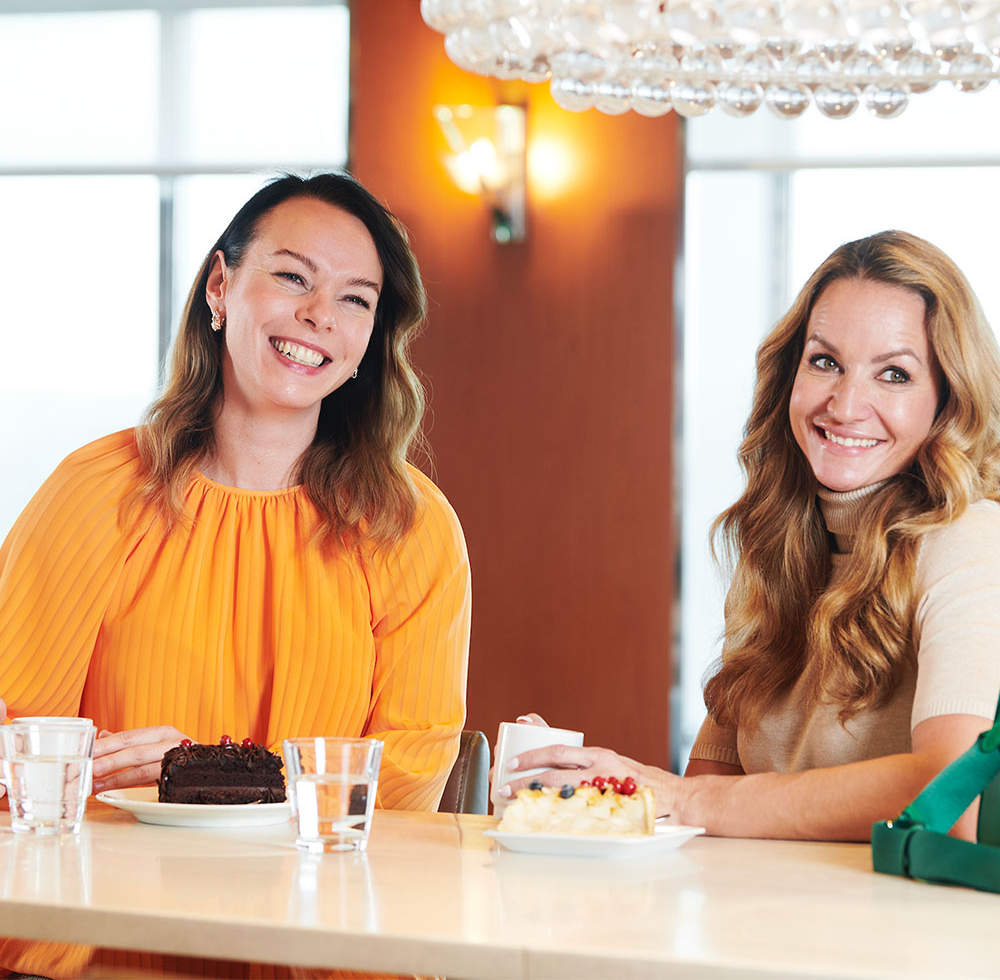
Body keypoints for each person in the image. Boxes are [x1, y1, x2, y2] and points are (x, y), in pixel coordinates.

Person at [0, 172, 471, 979]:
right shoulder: (95, 490)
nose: (320, 315)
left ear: (370, 339)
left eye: (356, 299)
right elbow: (15, 745)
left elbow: (401, 785)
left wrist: (206, 782)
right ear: (221, 286)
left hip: (319, 950)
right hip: (100, 943)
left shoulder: (412, 526)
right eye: (293, 277)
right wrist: (88, 764)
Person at [501, 230, 1000, 842]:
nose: (845, 405)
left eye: (893, 374)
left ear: (948, 401)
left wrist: (681, 799)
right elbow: (710, 797)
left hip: (894, 934)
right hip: (758, 926)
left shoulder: (969, 538)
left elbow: (951, 789)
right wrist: (587, 790)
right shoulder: (782, 542)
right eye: (825, 362)